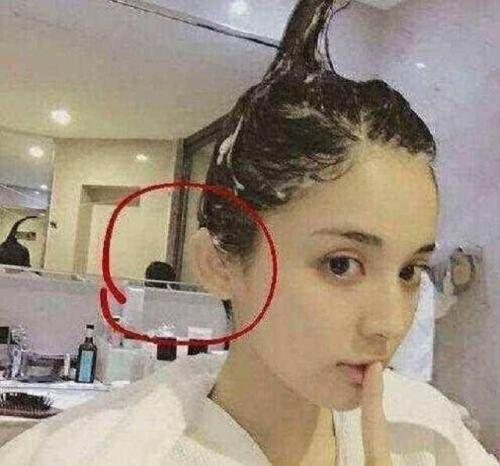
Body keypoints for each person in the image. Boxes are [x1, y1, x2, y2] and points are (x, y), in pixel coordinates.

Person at [0, 1, 497, 465]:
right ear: (219, 263)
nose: (388, 324)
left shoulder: (432, 439)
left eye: (409, 271)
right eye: (340, 264)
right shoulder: (87, 454)